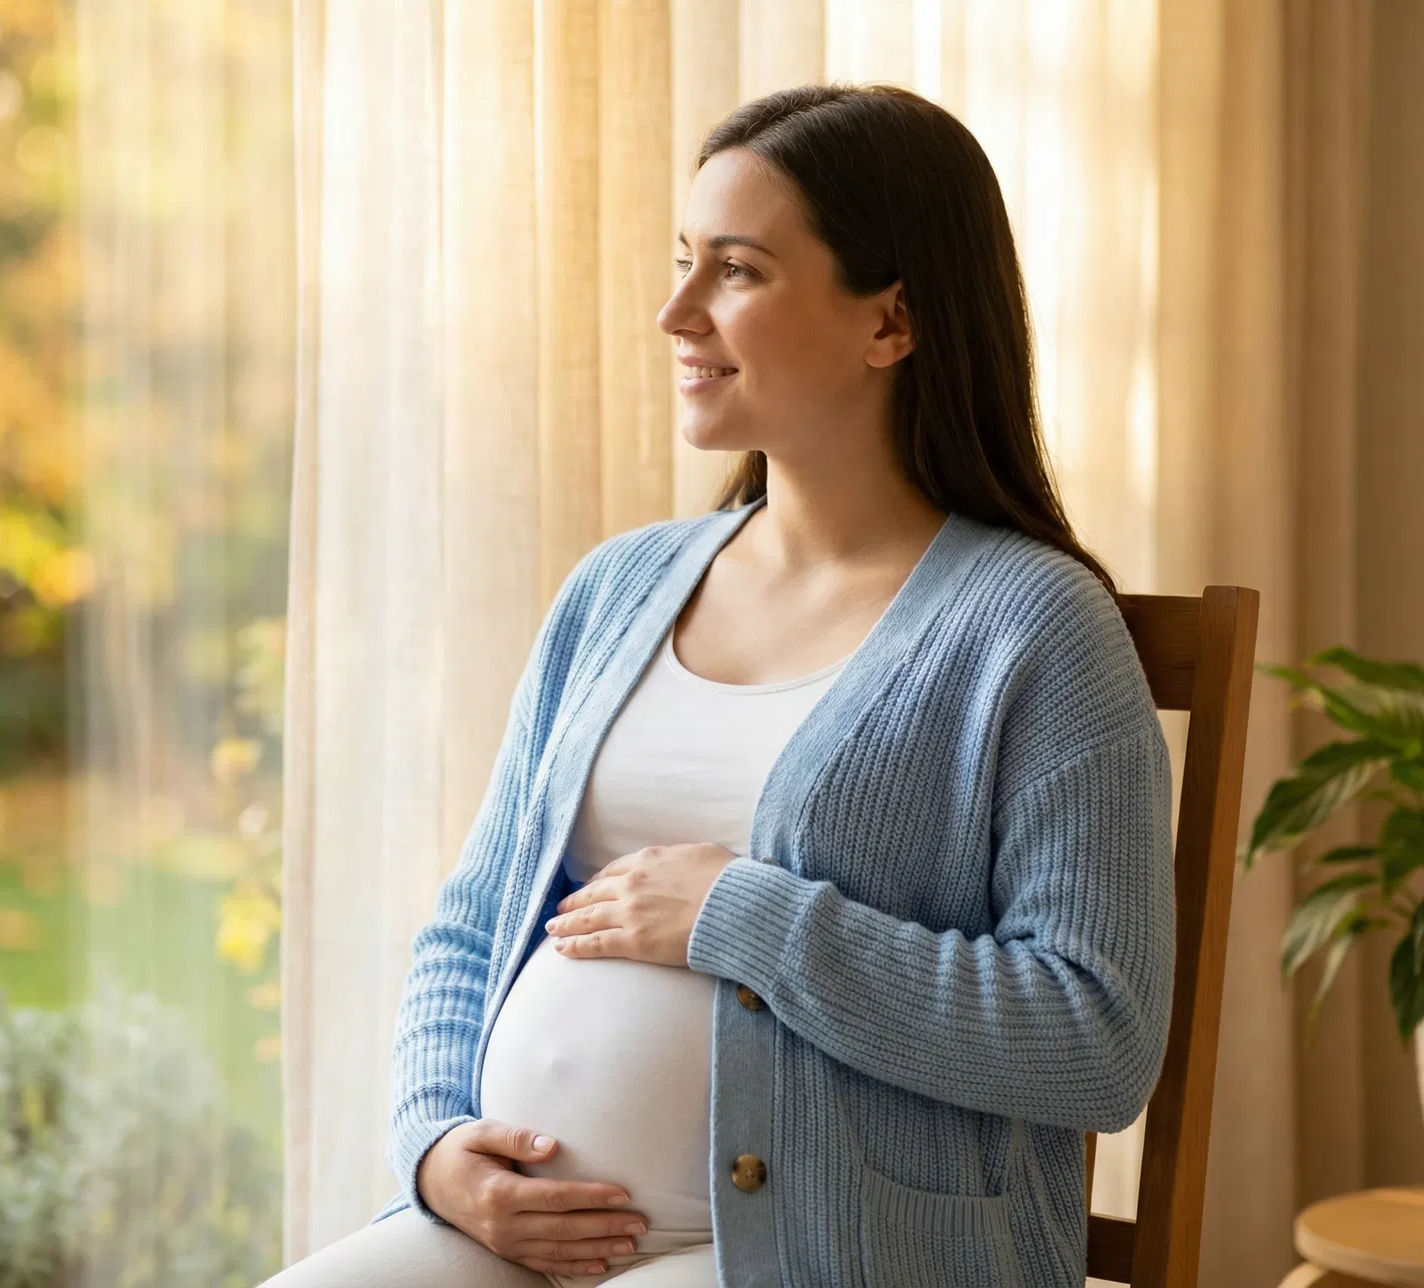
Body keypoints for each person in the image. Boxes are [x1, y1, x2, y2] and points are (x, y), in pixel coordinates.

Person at [264, 83, 1174, 1288]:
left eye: (736, 271)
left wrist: (745, 917)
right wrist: (439, 1151)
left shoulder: (1035, 630)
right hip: (521, 1236)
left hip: (835, 1250)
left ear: (890, 322)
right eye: (684, 261)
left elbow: (1094, 1040)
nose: (675, 312)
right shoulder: (619, 587)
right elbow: (475, 917)